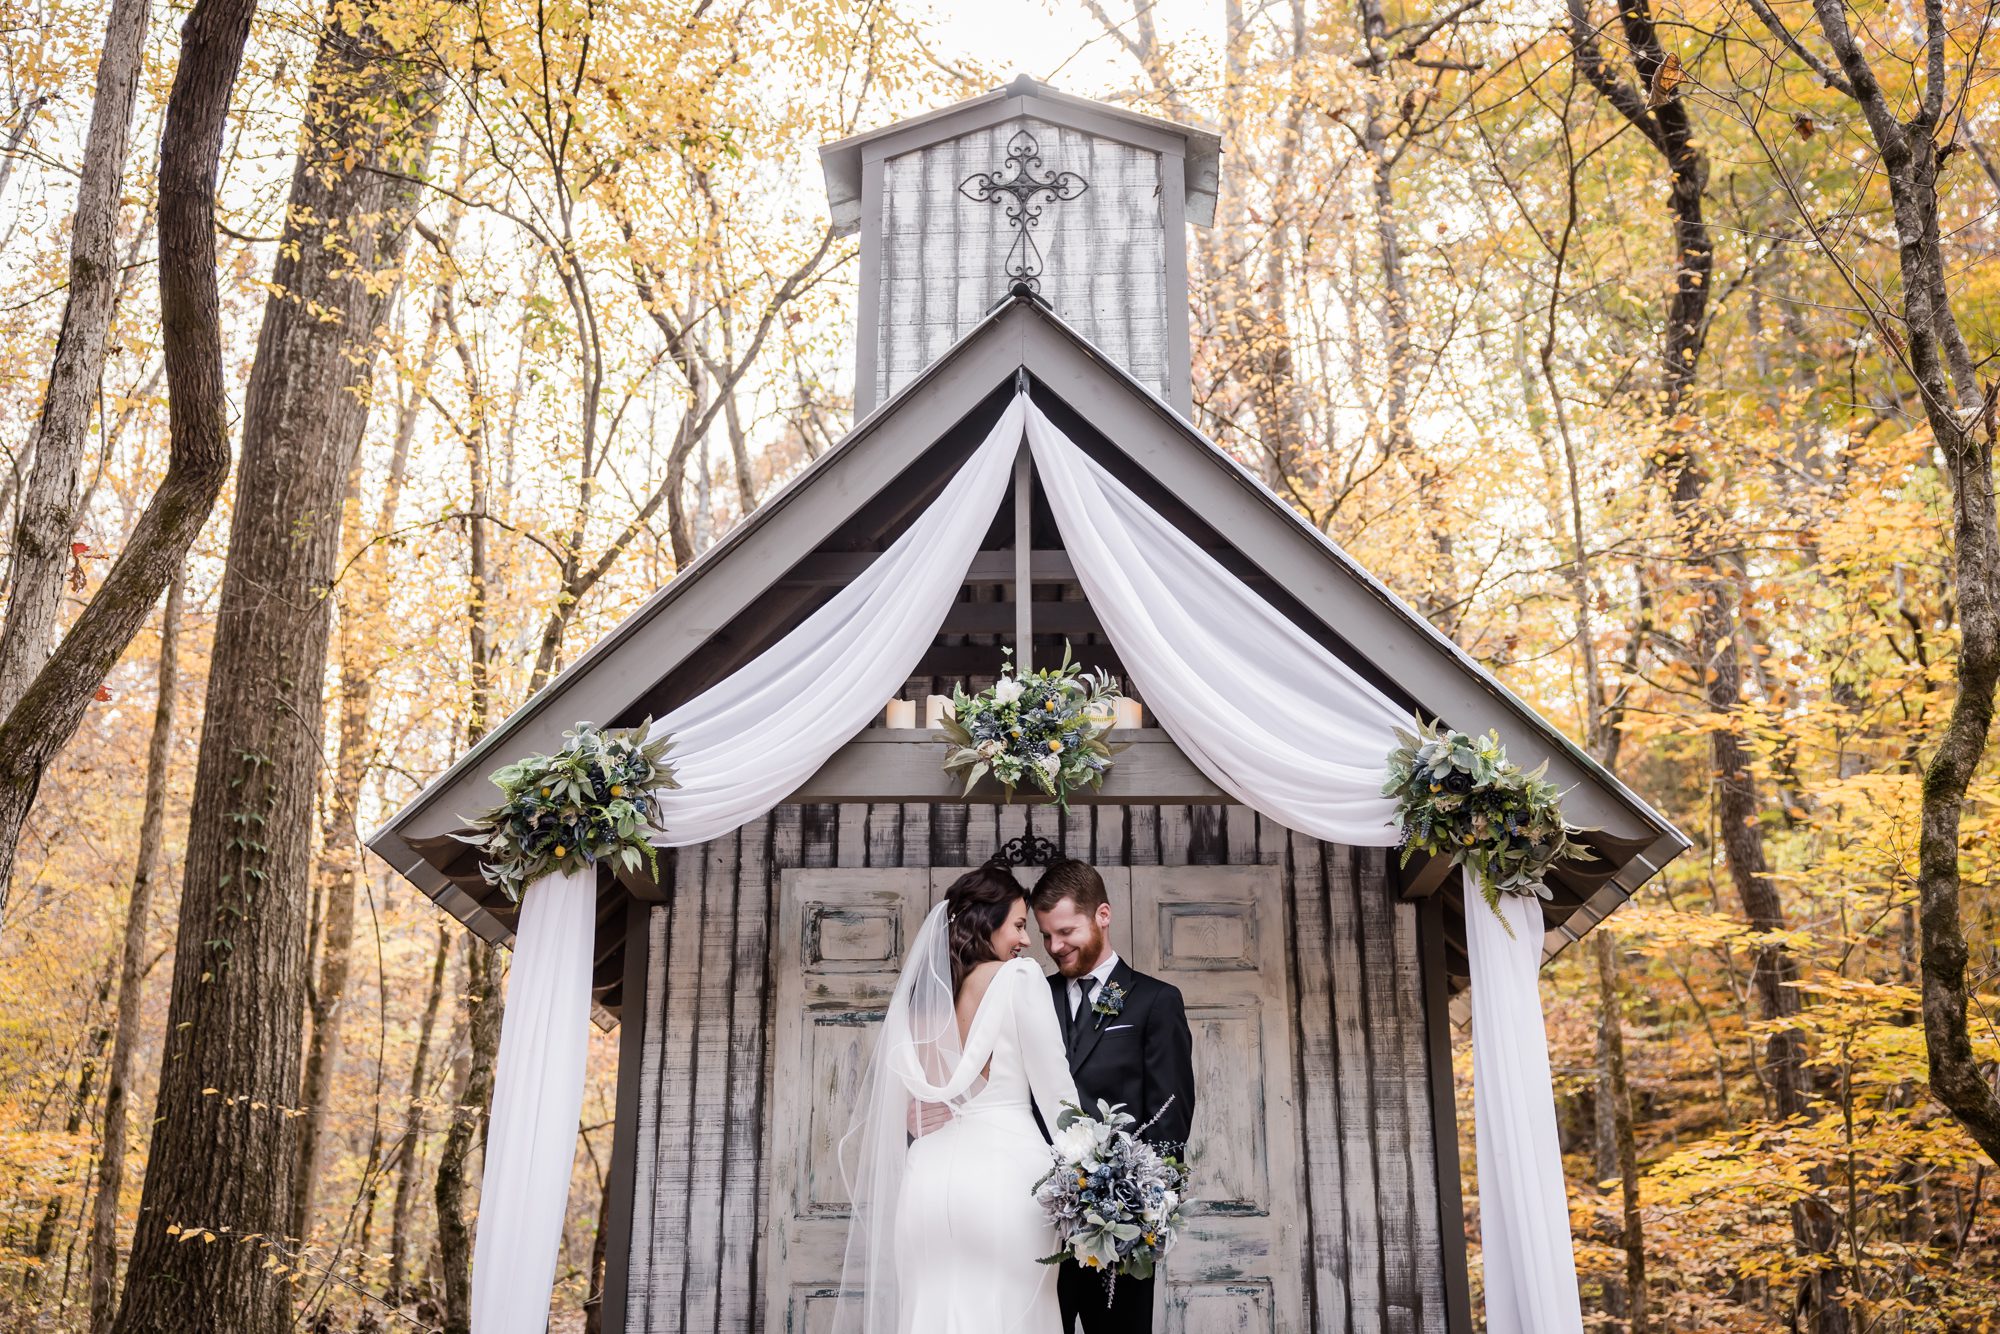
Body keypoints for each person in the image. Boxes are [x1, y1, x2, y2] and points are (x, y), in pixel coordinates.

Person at [833, 862, 1079, 1334]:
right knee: (1010, 1315)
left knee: (931, 1315)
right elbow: (1059, 1099)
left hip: (925, 1185)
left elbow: (914, 1108)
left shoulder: (921, 1002)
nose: (1026, 942)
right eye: (1020, 925)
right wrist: (1103, 1177)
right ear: (988, 922)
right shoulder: (1018, 979)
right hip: (1005, 1182)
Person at [1032, 858, 1196, 1334]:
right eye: (1045, 935)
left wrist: (1145, 1213)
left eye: (1065, 931)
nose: (1054, 947)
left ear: (1102, 915)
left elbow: (1170, 1119)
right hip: (1035, 1227)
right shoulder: (1033, 1000)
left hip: (1117, 1228)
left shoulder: (1154, 1001)